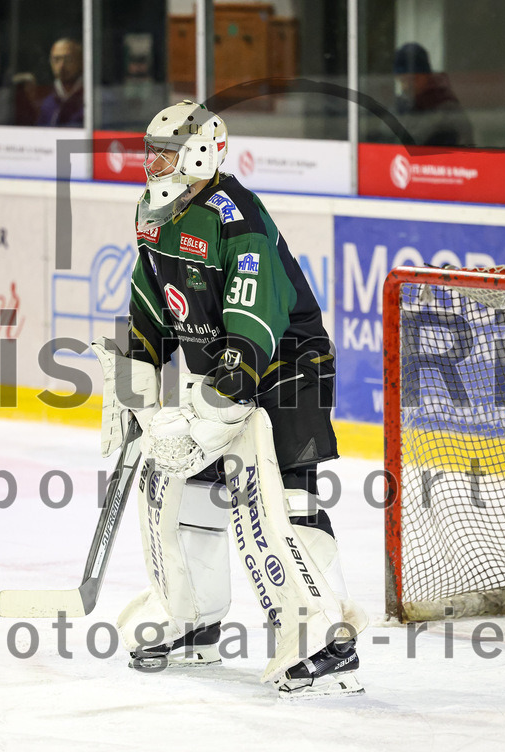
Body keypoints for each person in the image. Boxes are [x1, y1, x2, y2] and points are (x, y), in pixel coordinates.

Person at [91, 100, 367, 698]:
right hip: (219, 365)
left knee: (289, 497)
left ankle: (326, 636)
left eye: (162, 152)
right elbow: (152, 304)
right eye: (150, 151)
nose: (150, 163)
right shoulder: (156, 214)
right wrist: (132, 381)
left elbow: (254, 316)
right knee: (190, 488)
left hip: (286, 364)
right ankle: (196, 622)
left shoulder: (235, 215)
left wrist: (221, 403)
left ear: (197, 154)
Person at [393, 42, 474, 147]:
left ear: (427, 76)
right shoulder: (400, 105)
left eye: (413, 79)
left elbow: (466, 143)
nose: (406, 86)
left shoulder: (446, 107)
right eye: (402, 80)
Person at [36, 38, 84, 127]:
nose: (61, 66)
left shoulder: (92, 96)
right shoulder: (44, 99)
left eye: (68, 59)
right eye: (56, 59)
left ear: (81, 61)